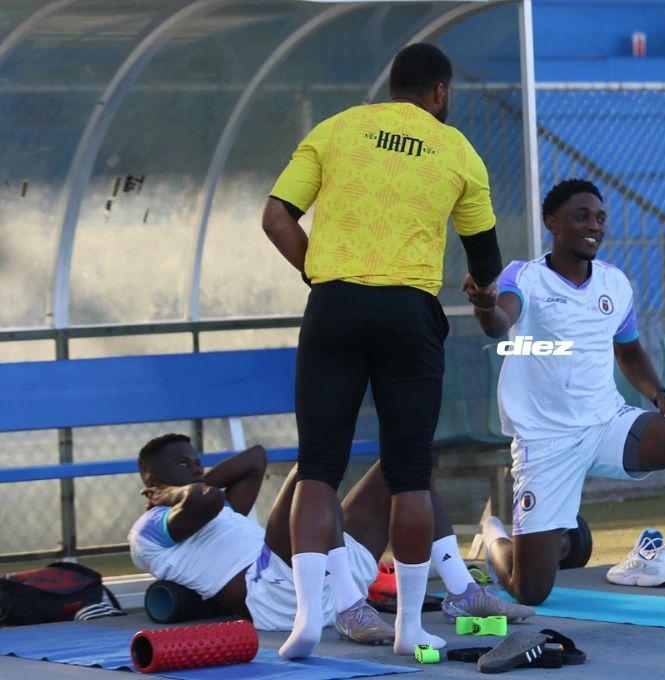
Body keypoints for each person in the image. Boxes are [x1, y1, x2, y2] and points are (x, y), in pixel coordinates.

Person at [261, 42, 502, 657]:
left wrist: (319, 275)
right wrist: (478, 285)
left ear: (393, 86)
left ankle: (309, 622)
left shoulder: (337, 128)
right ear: (440, 93)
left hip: (334, 306)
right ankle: (410, 630)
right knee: (410, 473)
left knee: (318, 467)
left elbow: (276, 218)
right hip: (408, 314)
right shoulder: (458, 151)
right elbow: (486, 263)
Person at [463, 179, 665, 618]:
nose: (594, 226)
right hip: (547, 441)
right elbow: (500, 319)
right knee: (530, 591)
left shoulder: (615, 284)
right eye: (581, 216)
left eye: (600, 218)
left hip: (607, 424)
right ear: (552, 223)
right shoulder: (525, 276)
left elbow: (630, 349)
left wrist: (659, 394)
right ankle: (494, 535)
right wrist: (485, 304)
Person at [128, 434, 532, 645]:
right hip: (280, 598)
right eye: (185, 463)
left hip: (336, 576)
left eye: (198, 459)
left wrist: (186, 482)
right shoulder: (149, 529)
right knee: (312, 466)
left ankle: (461, 591)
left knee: (408, 461)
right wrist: (173, 493)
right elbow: (205, 500)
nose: (198, 467)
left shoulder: (211, 504)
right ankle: (347, 608)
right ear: (153, 482)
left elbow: (255, 457)